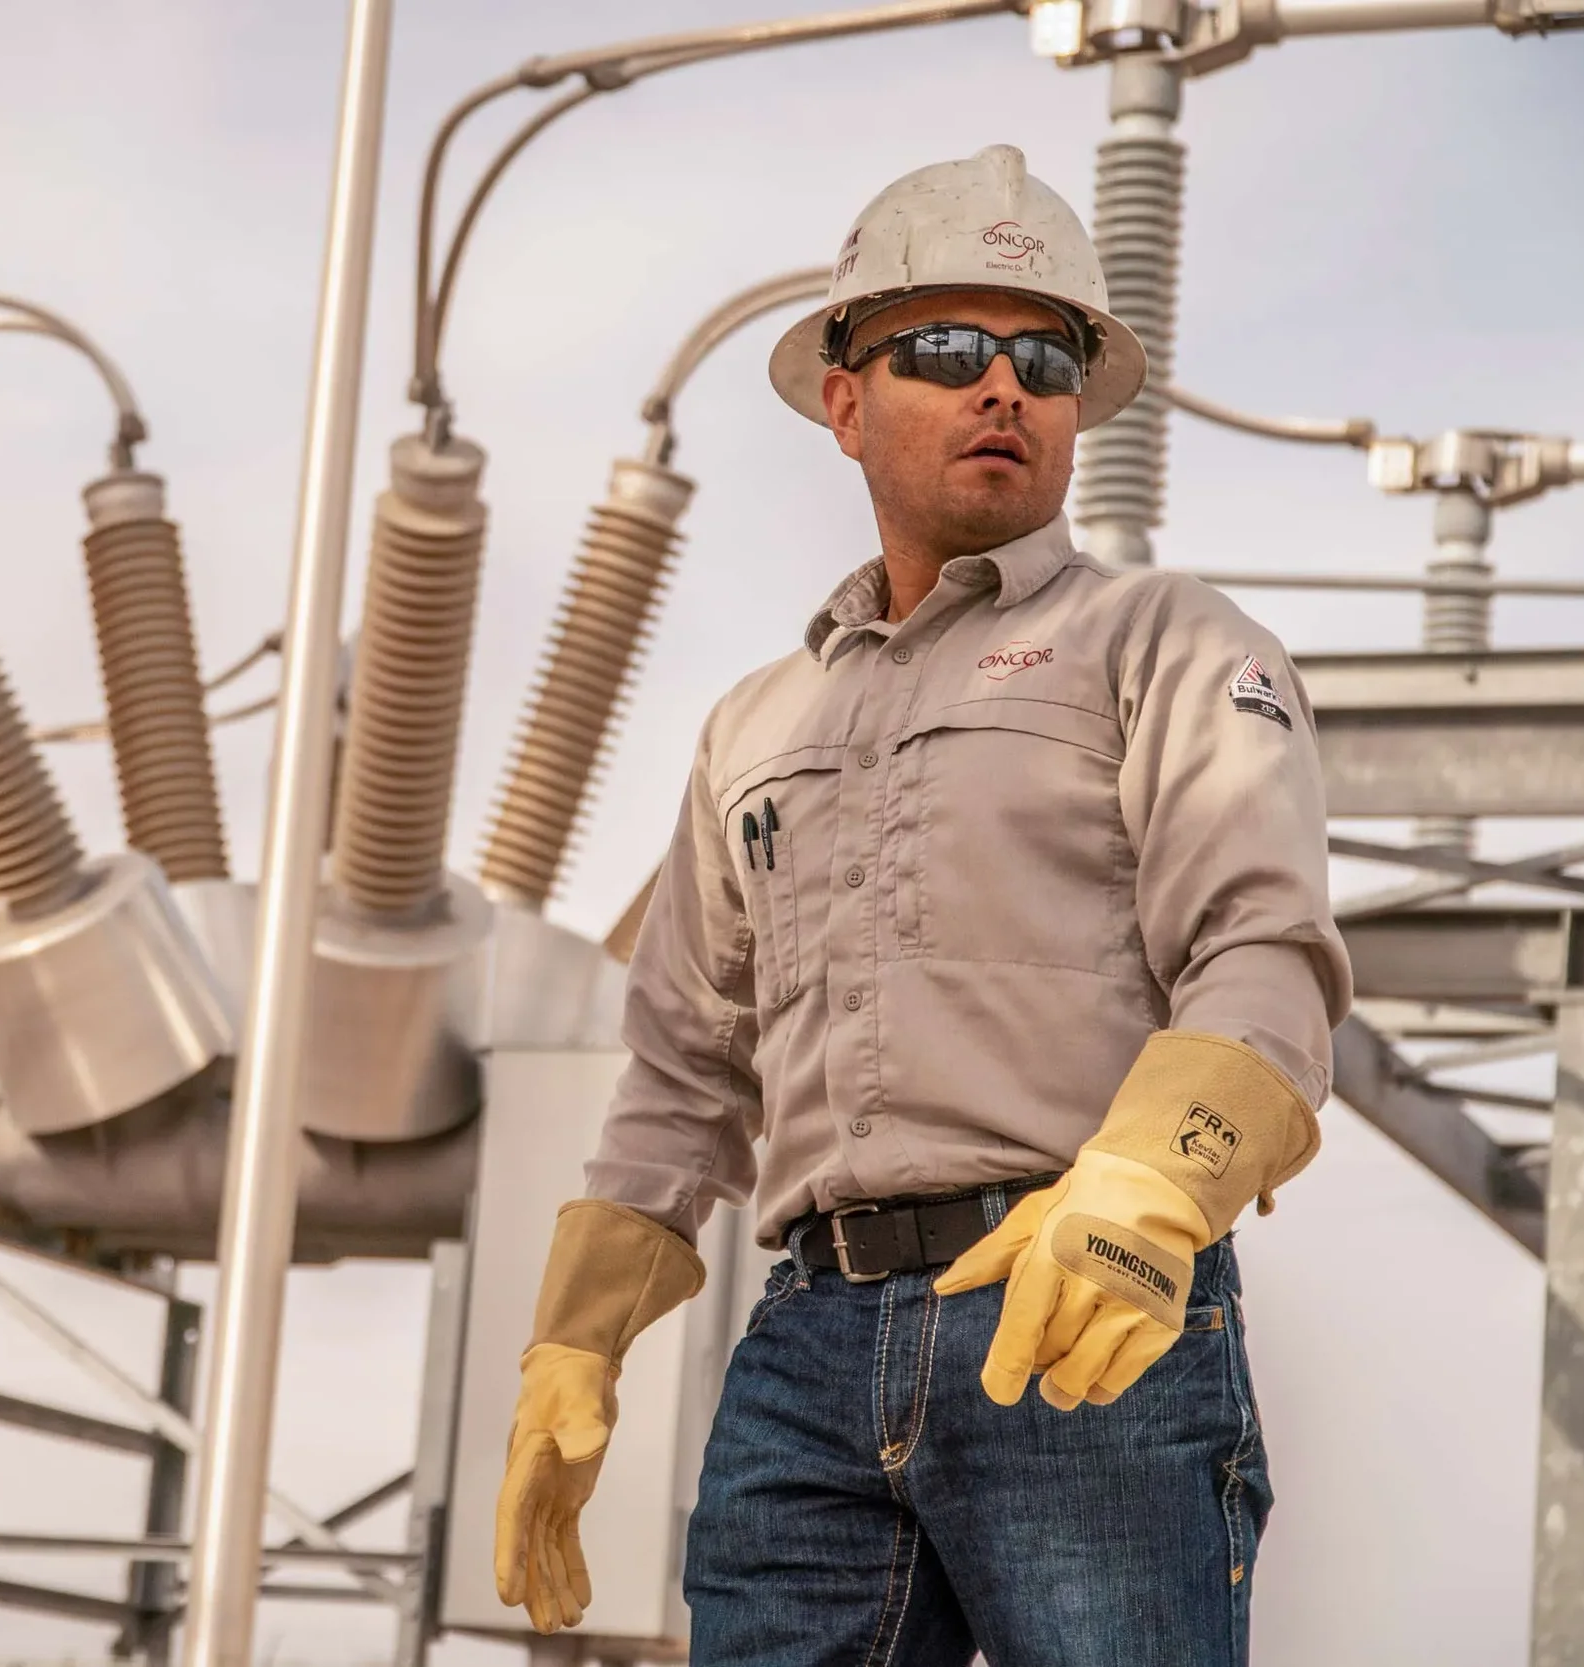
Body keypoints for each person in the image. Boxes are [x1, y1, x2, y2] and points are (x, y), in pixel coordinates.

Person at [491, 144, 1350, 1665]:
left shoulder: (1169, 646)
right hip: (809, 1350)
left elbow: (1263, 958)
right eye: (948, 351)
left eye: (1045, 356)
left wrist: (1149, 1191)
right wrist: (577, 1335)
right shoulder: (751, 726)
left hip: (1080, 1315)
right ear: (844, 400)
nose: (1003, 387)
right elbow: (687, 1065)